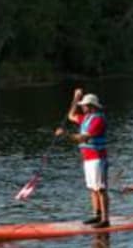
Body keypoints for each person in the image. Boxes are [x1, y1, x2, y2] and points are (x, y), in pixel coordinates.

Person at [55, 89, 109, 227]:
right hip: (88, 159)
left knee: (100, 189)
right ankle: (96, 215)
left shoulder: (98, 119)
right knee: (92, 188)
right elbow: (71, 115)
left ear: (91, 106)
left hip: (98, 159)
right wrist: (75, 97)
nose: (82, 107)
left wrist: (65, 134)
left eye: (84, 105)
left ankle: (105, 219)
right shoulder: (86, 118)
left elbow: (83, 138)